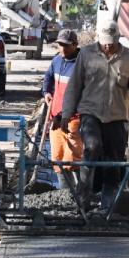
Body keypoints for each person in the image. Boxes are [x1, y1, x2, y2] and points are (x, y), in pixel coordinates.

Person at [60, 21, 129, 211]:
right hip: (91, 112)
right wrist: (67, 113)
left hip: (116, 115)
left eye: (111, 42)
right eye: (105, 42)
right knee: (92, 146)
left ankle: (108, 203)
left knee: (113, 159)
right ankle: (83, 195)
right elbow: (74, 86)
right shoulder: (87, 55)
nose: (107, 45)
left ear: (117, 39)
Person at [42, 29, 83, 185]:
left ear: (75, 45)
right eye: (60, 45)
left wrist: (64, 114)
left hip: (73, 119)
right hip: (56, 119)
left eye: (66, 46)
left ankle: (79, 193)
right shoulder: (57, 60)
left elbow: (82, 95)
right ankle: (64, 194)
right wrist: (46, 92)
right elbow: (48, 77)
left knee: (72, 160)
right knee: (57, 158)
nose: (62, 49)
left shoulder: (81, 65)